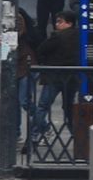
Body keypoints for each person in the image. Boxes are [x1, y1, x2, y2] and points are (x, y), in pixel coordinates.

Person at [30, 8, 80, 149]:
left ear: (69, 23)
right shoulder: (79, 37)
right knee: (68, 108)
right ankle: (76, 137)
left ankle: (34, 135)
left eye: (60, 22)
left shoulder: (57, 37)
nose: (57, 24)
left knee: (43, 106)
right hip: (72, 77)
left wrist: (45, 62)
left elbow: (41, 50)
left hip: (54, 76)